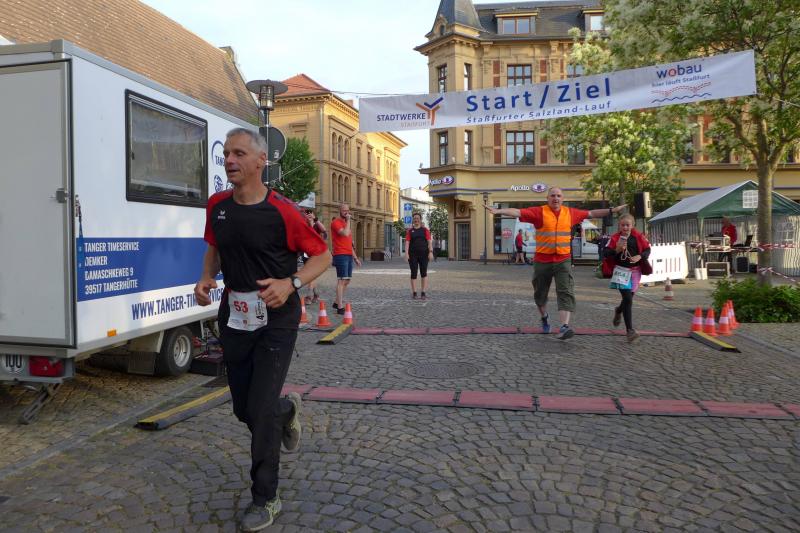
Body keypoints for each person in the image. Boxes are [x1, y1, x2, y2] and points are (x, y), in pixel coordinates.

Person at [194, 128, 331, 531]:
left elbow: (321, 255)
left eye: (239, 153)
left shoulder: (284, 211)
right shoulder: (218, 205)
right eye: (227, 154)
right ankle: (287, 410)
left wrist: (292, 283)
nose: (230, 160)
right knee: (244, 408)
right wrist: (206, 277)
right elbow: (214, 247)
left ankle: (265, 497)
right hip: (234, 315)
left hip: (277, 318)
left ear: (260, 161)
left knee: (260, 407)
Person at [485, 187, 625, 340]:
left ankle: (564, 326)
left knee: (565, 291)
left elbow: (592, 213)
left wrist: (611, 210)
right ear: (547, 198)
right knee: (540, 294)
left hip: (563, 260)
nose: (556, 198)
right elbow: (517, 212)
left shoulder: (570, 213)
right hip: (542, 260)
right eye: (552, 195)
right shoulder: (539, 212)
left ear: (562, 199)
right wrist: (498, 211)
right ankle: (544, 317)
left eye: (558, 196)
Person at [602, 214, 651, 342]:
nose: (625, 227)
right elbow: (606, 252)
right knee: (628, 299)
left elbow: (647, 249)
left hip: (635, 272)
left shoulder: (638, 237)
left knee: (627, 300)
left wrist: (640, 256)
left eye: (627, 225)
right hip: (620, 271)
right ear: (619, 226)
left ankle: (618, 310)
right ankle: (630, 331)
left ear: (632, 225)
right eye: (622, 225)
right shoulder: (615, 238)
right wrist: (617, 250)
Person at [330, 203, 362, 314]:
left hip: (348, 254)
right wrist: (348, 221)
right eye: (344, 210)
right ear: (339, 211)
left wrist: (355, 258)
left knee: (347, 280)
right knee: (341, 280)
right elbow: (344, 233)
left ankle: (336, 302)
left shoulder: (345, 223)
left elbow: (349, 243)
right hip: (340, 254)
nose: (346, 212)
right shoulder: (336, 223)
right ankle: (340, 307)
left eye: (348, 210)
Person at [405, 212, 434, 299]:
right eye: (415, 218)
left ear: (420, 220)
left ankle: (423, 292)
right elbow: (407, 243)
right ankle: (414, 292)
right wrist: (406, 253)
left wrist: (430, 252)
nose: (416, 220)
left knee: (423, 273)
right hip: (412, 255)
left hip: (424, 254)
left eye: (418, 218)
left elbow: (429, 242)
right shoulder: (410, 231)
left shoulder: (425, 230)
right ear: (413, 220)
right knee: (413, 273)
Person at [301, 208, 328, 304]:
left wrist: (314, 219)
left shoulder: (317, 224)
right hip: (306, 253)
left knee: (311, 274)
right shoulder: (304, 224)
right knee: (311, 274)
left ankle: (309, 296)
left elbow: (324, 230)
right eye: (306, 213)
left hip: (316, 253)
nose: (308, 214)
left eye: (310, 212)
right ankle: (316, 294)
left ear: (313, 214)